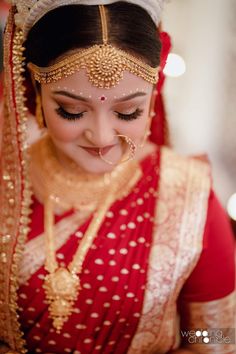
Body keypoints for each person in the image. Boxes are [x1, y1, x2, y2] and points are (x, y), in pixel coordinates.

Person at [0, 1, 235, 353]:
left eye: (128, 112)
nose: (102, 136)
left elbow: (219, 337)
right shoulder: (6, 183)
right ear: (36, 94)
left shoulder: (187, 195)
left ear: (153, 99)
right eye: (72, 110)